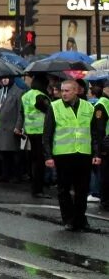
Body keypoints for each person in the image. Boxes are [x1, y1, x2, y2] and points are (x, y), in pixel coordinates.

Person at [42, 77, 106, 232]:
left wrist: (96, 153)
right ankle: (69, 219)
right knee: (64, 189)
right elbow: (47, 134)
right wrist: (48, 156)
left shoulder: (88, 107)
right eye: (62, 91)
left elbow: (95, 133)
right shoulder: (55, 106)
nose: (63, 93)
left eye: (67, 90)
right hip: (63, 154)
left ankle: (80, 218)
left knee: (82, 190)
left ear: (76, 91)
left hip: (83, 154)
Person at [22, 74, 52, 197]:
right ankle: (38, 189)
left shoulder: (26, 95)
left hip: (30, 130)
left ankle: (35, 187)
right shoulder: (39, 96)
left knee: (34, 160)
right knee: (39, 162)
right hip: (41, 131)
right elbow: (49, 110)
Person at [0, 76, 23, 184]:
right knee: (4, 153)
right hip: (2, 127)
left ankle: (16, 175)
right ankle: (5, 174)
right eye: (3, 78)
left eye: (7, 78)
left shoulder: (19, 92)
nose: (4, 80)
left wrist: (18, 126)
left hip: (12, 126)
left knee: (15, 153)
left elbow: (20, 111)